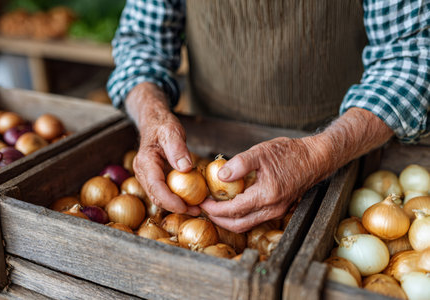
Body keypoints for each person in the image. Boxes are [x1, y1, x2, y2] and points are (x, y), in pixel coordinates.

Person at [107, 0, 429, 233]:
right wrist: (152, 115)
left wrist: (316, 153)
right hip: (208, 146)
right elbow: (141, 43)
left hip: (343, 155)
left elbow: (411, 57)